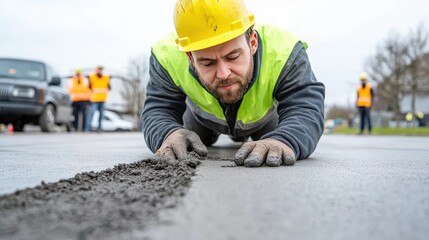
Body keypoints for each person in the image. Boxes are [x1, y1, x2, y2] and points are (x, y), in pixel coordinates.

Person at [141, 0, 325, 167]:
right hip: (201, 118)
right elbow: (158, 108)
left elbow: (305, 104)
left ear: (252, 42)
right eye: (207, 63)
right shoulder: (166, 57)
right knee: (186, 141)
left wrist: (285, 139)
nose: (223, 74)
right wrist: (167, 133)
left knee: (275, 144)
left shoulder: (285, 51)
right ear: (189, 57)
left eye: (233, 56)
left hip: (264, 119)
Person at [85, 65, 111, 132]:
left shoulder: (106, 77)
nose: (99, 70)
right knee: (91, 113)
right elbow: (89, 87)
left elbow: (109, 87)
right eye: (98, 69)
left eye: (101, 69)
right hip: (94, 99)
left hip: (103, 99)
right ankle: (88, 128)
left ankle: (99, 128)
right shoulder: (92, 77)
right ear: (96, 70)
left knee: (101, 115)